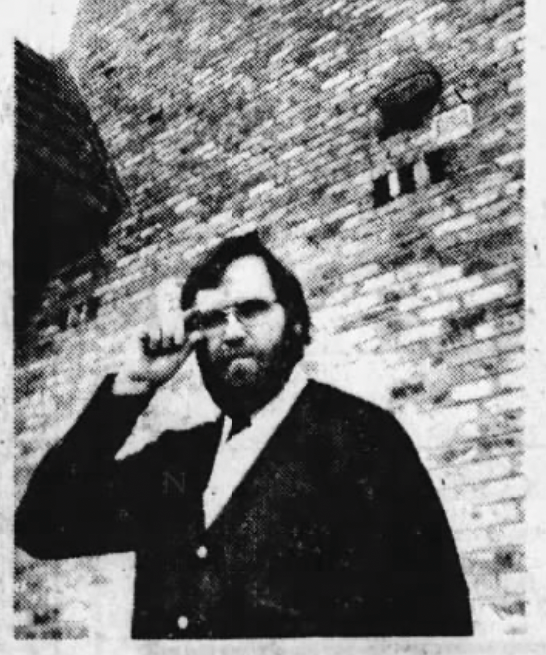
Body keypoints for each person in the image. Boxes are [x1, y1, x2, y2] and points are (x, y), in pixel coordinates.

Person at [16, 231, 473, 639]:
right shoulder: (175, 462)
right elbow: (42, 525)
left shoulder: (362, 437)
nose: (232, 332)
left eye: (252, 310)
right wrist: (133, 386)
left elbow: (438, 622)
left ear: (295, 322)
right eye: (212, 319)